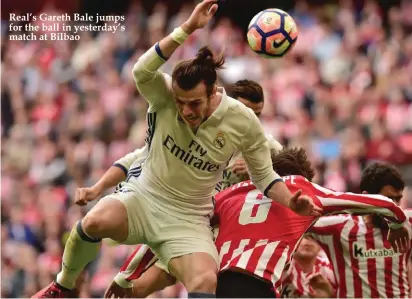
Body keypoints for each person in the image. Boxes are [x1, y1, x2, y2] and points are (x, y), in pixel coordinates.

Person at [32, 1, 318, 298]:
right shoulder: (165, 96)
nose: (185, 110)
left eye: (194, 103)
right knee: (94, 221)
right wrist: (187, 29)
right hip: (144, 197)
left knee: (205, 281)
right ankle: (63, 286)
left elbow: (267, 178)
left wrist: (291, 201)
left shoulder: (243, 123)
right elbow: (141, 71)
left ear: (212, 92)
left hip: (189, 218)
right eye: (180, 101)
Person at [104, 148, 409, 298]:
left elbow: (168, 232)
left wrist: (127, 273)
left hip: (214, 283)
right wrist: (396, 221)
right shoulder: (301, 189)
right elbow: (375, 203)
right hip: (255, 285)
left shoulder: (228, 195)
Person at [308, 162, 412, 298]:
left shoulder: (407, 222)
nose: (394, 207)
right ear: (366, 198)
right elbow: (295, 222)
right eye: (388, 199)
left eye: (397, 199)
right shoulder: (338, 227)